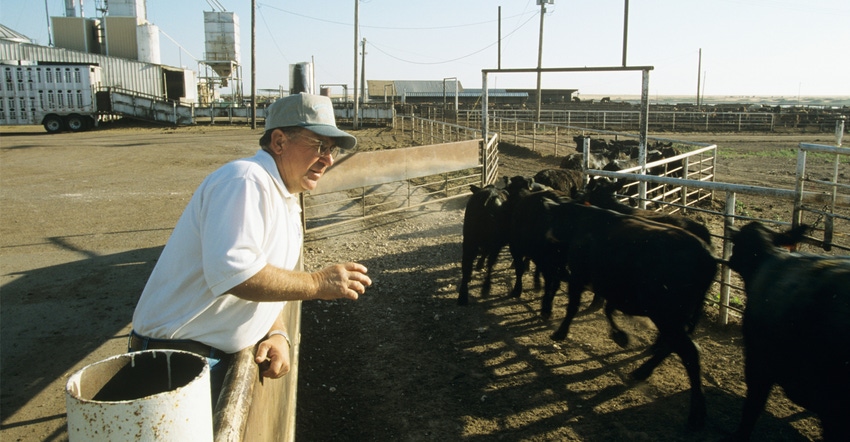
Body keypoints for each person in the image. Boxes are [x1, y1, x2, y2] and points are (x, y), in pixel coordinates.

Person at [129, 93, 372, 386]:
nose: (328, 160)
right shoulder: (245, 180)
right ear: (280, 142)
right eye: (320, 146)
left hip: (203, 357)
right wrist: (317, 284)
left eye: (332, 149)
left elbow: (265, 273)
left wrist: (276, 331)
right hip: (173, 362)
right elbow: (234, 273)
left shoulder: (284, 195)